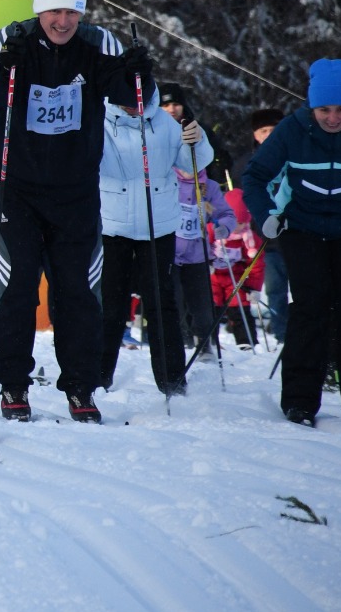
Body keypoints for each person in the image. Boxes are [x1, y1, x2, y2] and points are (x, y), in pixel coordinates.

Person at [0, 0, 146, 423]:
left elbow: (134, 98)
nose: (62, 22)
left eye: (71, 12)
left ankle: (81, 386)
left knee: (77, 291)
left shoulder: (98, 43)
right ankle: (12, 383)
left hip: (75, 191)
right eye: (54, 12)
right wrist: (1, 66)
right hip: (15, 188)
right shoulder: (12, 38)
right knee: (17, 284)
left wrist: (139, 73)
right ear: (39, 10)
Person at [242, 59, 341, 427]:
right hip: (303, 230)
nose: (333, 118)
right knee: (310, 309)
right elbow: (255, 177)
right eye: (324, 110)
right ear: (311, 107)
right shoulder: (293, 129)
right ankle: (300, 402)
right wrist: (267, 215)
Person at [96, 91, 212, 394]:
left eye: (139, 100)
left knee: (162, 303)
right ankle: (98, 376)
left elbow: (192, 164)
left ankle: (171, 378)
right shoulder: (100, 119)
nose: (133, 107)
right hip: (112, 225)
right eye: (126, 101)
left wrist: (196, 141)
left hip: (157, 225)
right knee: (111, 304)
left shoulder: (164, 122)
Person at [174, 152, 235, 360]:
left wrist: (224, 227)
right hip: (170, 255)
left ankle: (204, 341)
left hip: (197, 256)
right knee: (172, 302)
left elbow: (226, 214)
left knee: (202, 305)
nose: (187, 170)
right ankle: (174, 342)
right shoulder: (166, 182)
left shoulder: (209, 187)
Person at [243, 107, 290, 341]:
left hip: (298, 234)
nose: (270, 135)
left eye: (274, 129)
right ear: (255, 135)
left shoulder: (296, 156)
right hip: (267, 241)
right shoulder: (248, 163)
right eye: (264, 131)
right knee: (275, 290)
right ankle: (282, 335)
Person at [211, 189, 265, 349]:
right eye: (233, 221)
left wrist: (253, 287)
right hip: (212, 277)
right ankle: (207, 342)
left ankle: (246, 342)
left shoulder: (250, 239)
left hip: (235, 279)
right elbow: (199, 248)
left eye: (241, 223)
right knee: (209, 309)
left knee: (240, 308)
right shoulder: (212, 231)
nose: (236, 227)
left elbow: (256, 264)